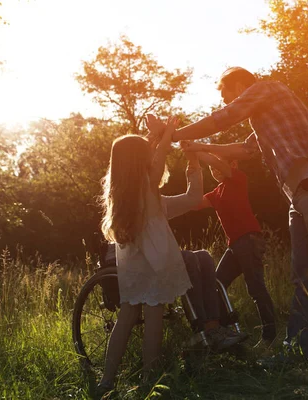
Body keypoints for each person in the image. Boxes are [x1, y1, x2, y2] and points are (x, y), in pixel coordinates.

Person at [146, 66, 308, 362]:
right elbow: (245, 150)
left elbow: (223, 119)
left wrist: (170, 134)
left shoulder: (267, 89)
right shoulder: (264, 119)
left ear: (238, 85)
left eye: (224, 93)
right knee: (303, 278)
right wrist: (197, 146)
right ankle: (298, 352)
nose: (224, 100)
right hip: (300, 197)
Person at [97, 118, 242, 392]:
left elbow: (190, 198)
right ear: (143, 162)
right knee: (153, 319)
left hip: (132, 267)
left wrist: (190, 162)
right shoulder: (149, 191)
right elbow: (160, 158)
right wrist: (165, 135)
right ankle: (148, 381)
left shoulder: (124, 199)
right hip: (157, 262)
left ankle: (106, 380)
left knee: (125, 318)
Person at [186, 149, 276, 347]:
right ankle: (225, 331)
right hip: (235, 245)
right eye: (211, 168)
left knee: (255, 287)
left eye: (216, 166)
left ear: (233, 164)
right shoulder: (216, 192)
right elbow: (192, 203)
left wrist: (196, 147)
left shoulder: (238, 179)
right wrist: (192, 164)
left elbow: (218, 163)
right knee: (217, 284)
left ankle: (270, 335)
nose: (214, 170)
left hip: (249, 239)